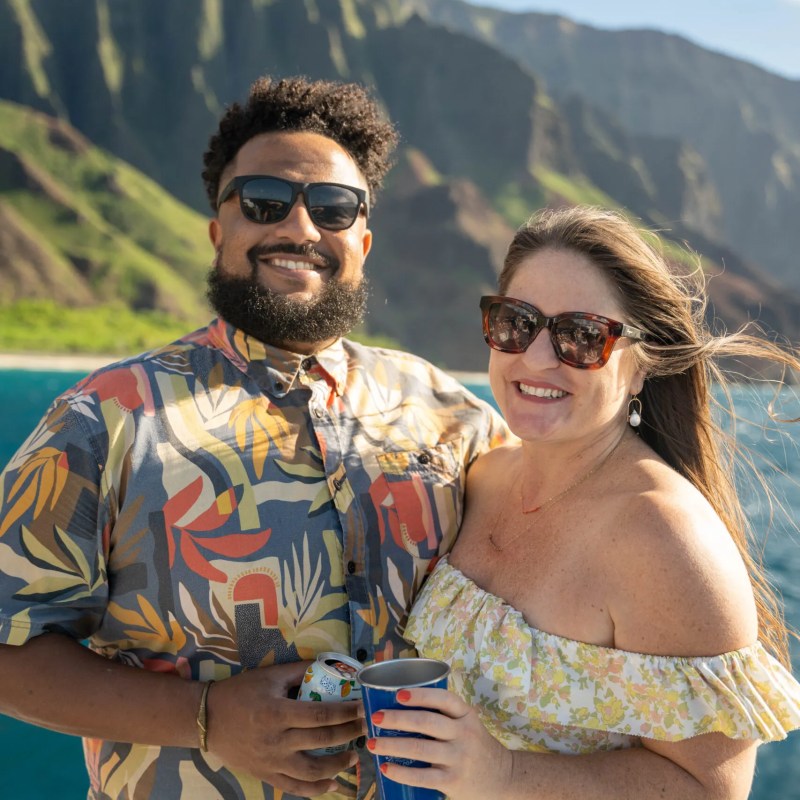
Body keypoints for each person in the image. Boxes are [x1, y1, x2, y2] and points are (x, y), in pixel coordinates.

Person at [0, 76, 509, 800]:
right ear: (219, 230)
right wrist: (207, 718)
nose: (300, 228)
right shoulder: (104, 418)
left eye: (333, 207)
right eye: (265, 201)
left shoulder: (457, 417)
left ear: (362, 241)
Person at [366, 206, 800, 799]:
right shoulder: (484, 477)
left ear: (641, 366)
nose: (538, 358)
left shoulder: (665, 538)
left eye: (582, 336)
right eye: (516, 323)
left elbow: (711, 790)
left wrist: (504, 774)